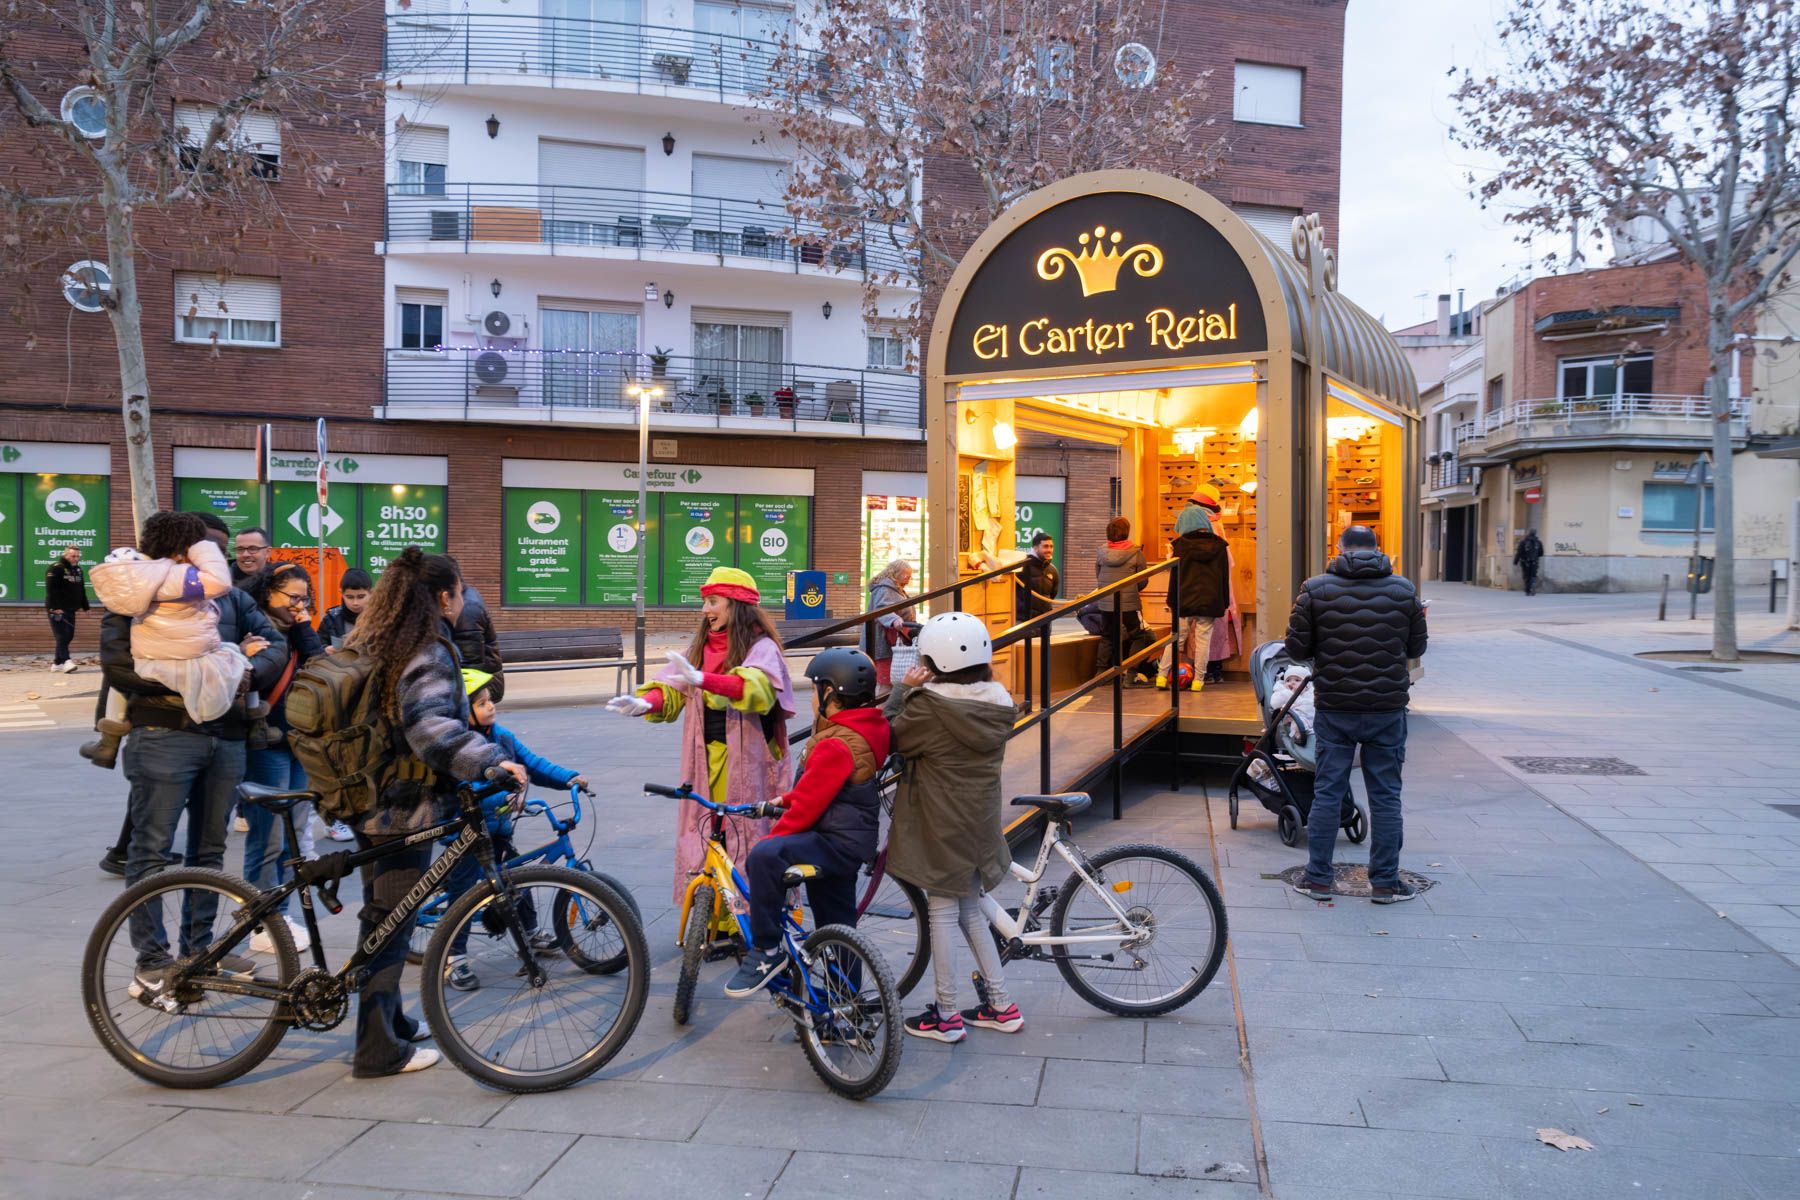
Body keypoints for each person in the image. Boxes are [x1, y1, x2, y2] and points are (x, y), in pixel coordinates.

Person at [343, 547, 528, 1077]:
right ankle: (377, 1050)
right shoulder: (426, 650)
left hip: (365, 798)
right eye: (462, 588)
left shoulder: (374, 639)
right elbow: (430, 728)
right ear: (444, 597)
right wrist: (493, 762)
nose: (465, 597)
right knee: (390, 924)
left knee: (382, 919)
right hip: (403, 807)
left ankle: (389, 1024)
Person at [101, 511, 285, 977]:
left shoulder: (232, 600)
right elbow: (118, 667)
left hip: (225, 736)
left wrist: (242, 675)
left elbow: (275, 647)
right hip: (163, 733)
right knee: (152, 851)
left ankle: (201, 954)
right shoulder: (133, 594)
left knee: (209, 853)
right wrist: (197, 679)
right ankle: (153, 960)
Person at [605, 566, 796, 909]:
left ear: (735, 605)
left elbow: (756, 689)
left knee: (744, 833)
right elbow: (673, 688)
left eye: (713, 601)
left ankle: (748, 914)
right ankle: (711, 915)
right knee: (708, 831)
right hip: (705, 759)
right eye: (704, 602)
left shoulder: (761, 647)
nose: (704, 610)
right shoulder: (702, 647)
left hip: (747, 762)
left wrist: (705, 680)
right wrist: (643, 702)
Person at [885, 611, 1024, 1043]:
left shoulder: (929, 707)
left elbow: (889, 736)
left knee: (941, 911)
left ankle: (946, 1014)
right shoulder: (998, 702)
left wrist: (902, 691)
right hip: (979, 819)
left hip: (941, 819)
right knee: (968, 909)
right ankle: (1001, 1005)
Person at [725, 648, 889, 997]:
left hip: (832, 841)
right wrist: (783, 800)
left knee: (764, 857)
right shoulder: (865, 729)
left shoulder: (835, 744)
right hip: (849, 841)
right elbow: (823, 789)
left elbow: (808, 807)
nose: (812, 699)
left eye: (815, 689)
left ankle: (767, 950)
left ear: (831, 692)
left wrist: (775, 839)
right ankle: (843, 1008)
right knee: (839, 925)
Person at [1284, 525, 1429, 905]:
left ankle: (1317, 879)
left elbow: (1296, 649)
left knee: (1328, 791)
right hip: (1387, 707)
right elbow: (1417, 647)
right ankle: (1385, 883)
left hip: (1336, 706)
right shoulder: (1404, 589)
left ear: (1340, 548)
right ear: (1377, 548)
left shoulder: (1315, 589)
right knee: (1386, 796)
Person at [442, 668, 588, 992]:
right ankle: (454, 956)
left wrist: (569, 778)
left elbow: (532, 763)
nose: (490, 706)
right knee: (463, 894)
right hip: (465, 833)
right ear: (462, 712)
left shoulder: (502, 737)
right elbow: (468, 785)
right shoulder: (457, 748)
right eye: (481, 703)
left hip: (497, 830)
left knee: (517, 876)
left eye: (490, 700)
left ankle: (531, 932)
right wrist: (500, 794)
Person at [86, 513, 265, 768]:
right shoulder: (180, 578)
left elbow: (274, 648)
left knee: (119, 686)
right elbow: (116, 668)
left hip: (153, 663)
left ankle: (109, 739)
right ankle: (258, 721)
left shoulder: (137, 580)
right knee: (237, 657)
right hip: (170, 714)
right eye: (210, 547)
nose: (220, 556)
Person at [238, 562, 326, 954]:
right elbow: (254, 676)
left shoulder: (298, 632)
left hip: (299, 743)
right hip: (267, 743)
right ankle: (260, 919)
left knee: (292, 836)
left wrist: (305, 625)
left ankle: (282, 912)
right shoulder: (255, 630)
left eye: (305, 598)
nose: (299, 605)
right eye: (292, 597)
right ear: (268, 593)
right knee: (268, 837)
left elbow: (322, 667)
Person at [1158, 499, 1229, 691]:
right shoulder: (1220, 546)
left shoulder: (1179, 546)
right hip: (1210, 600)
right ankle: (1198, 680)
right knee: (1203, 641)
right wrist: (1224, 602)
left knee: (1176, 638)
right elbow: (1224, 577)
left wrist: (1172, 601)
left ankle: (1162, 676)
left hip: (1185, 600)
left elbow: (1175, 578)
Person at [1093, 518, 1152, 685]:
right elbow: (1143, 580)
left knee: (1107, 635)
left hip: (1106, 602)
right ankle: (1131, 673)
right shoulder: (1136, 553)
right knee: (1141, 636)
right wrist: (1131, 590)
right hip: (1129, 603)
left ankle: (1101, 673)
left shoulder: (1101, 552)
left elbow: (1098, 575)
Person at [446, 558, 504, 701]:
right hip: (477, 680)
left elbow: (470, 666)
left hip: (480, 684)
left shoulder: (466, 609)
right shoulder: (463, 597)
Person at [863, 559, 918, 691]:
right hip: (884, 644)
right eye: (907, 576)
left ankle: (889, 708)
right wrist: (894, 620)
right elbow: (882, 608)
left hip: (893, 643)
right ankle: (884, 711)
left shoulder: (895, 588)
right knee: (886, 682)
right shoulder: (884, 589)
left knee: (892, 681)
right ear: (896, 573)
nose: (909, 579)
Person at [45, 545, 90, 674]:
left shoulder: (78, 570)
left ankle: (57, 663)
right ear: (65, 555)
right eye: (73, 556)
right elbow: (51, 589)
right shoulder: (56, 568)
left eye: (78, 556)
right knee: (61, 636)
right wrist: (54, 607)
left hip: (71, 609)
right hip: (57, 609)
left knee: (68, 636)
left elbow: (81, 589)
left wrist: (85, 607)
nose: (76, 558)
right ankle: (67, 661)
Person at [320, 567, 373, 649]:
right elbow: (317, 647)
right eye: (350, 597)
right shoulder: (331, 618)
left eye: (361, 597)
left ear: (371, 593)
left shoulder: (380, 618)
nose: (355, 603)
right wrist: (325, 650)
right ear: (341, 593)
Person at [1514, 529, 1544, 597]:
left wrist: (1515, 561)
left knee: (1526, 575)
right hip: (1535, 562)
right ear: (1535, 534)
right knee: (1533, 575)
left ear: (1528, 533)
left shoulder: (1523, 542)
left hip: (1525, 562)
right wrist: (1536, 556)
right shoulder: (1539, 542)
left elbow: (1519, 552)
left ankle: (1528, 590)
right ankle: (1533, 583)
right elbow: (1541, 553)